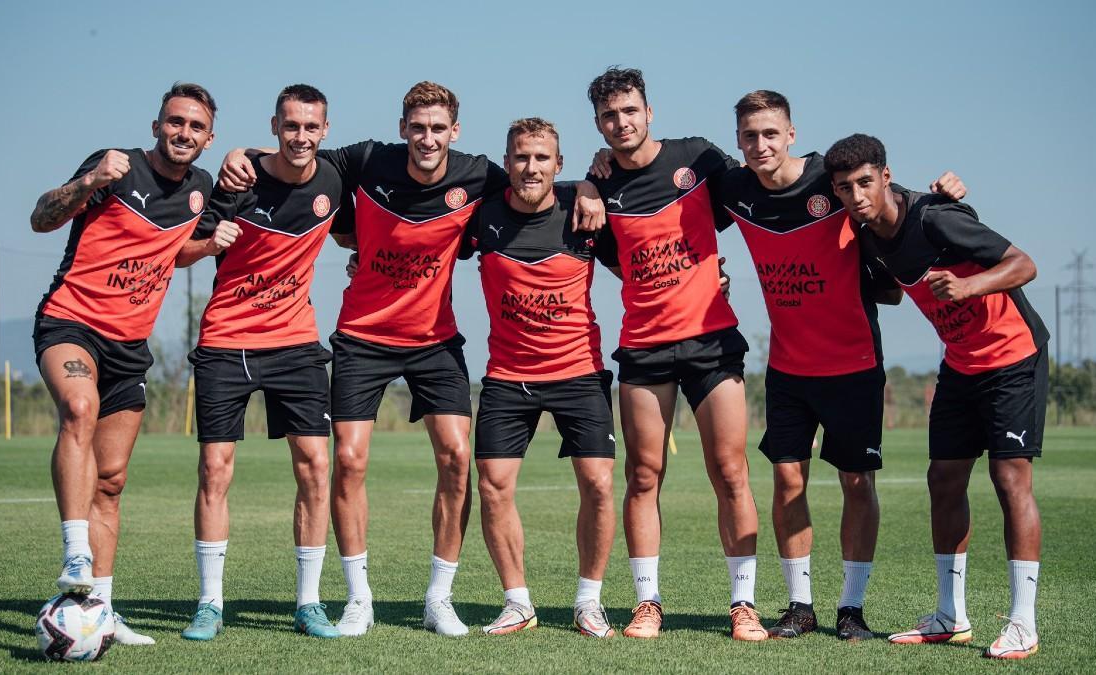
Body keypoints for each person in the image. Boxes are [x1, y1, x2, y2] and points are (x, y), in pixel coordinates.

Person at [218, 81, 605, 637]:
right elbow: (294, 157)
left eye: (438, 128)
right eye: (418, 127)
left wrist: (589, 187)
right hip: (362, 337)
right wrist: (243, 154)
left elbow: (538, 184)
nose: (428, 138)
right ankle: (359, 598)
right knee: (348, 461)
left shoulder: (479, 176)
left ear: (456, 131)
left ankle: (438, 598)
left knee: (454, 458)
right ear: (404, 129)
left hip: (435, 341)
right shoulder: (368, 160)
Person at [712, 91, 964, 641]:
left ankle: (851, 608)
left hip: (853, 362)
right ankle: (800, 607)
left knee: (856, 481)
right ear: (737, 141)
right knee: (786, 481)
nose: (761, 145)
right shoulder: (732, 189)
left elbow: (886, 198)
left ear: (792, 134)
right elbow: (667, 196)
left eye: (771, 133)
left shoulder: (830, 177)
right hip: (786, 365)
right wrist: (596, 173)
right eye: (750, 135)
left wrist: (943, 193)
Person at [827, 133, 1047, 660]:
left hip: (1013, 356)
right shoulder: (867, 234)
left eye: (864, 183)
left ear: (885, 176)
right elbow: (887, 286)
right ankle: (951, 615)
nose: (856, 196)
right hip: (960, 363)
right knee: (943, 479)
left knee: (1008, 478)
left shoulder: (934, 218)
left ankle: (1023, 622)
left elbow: (1024, 264)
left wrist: (970, 287)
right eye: (843, 188)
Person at [29, 82, 216, 646]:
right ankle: (75, 554)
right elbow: (41, 218)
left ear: (208, 138)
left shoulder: (201, 191)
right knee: (78, 409)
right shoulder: (116, 167)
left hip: (130, 347)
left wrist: (207, 247)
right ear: (157, 124)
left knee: (111, 482)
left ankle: (101, 613)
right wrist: (88, 183)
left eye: (196, 127)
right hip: (70, 324)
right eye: (175, 121)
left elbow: (170, 249)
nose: (184, 132)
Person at [583, 67, 764, 640]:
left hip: (712, 342)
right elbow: (615, 259)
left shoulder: (701, 159)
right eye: (610, 116)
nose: (622, 123)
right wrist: (589, 183)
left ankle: (743, 605)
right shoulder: (600, 189)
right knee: (643, 475)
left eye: (630, 111)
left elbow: (762, 187)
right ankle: (647, 603)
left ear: (649, 111)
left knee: (730, 472)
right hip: (643, 348)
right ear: (599, 124)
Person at [174, 84, 352, 641]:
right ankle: (209, 604)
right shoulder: (239, 180)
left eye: (311, 127)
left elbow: (363, 224)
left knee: (316, 468)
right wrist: (210, 240)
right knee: (215, 470)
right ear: (275, 126)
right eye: (291, 126)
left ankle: (308, 602)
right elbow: (180, 251)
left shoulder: (335, 179)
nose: (301, 137)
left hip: (296, 343)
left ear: (325, 131)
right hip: (226, 340)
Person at [464, 118, 615, 638]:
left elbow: (641, 260)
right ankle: (517, 603)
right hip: (507, 377)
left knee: (598, 485)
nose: (531, 167)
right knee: (493, 487)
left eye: (541, 158)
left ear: (559, 165)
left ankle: (588, 602)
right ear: (506, 162)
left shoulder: (583, 212)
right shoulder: (482, 215)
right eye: (521, 157)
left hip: (579, 372)